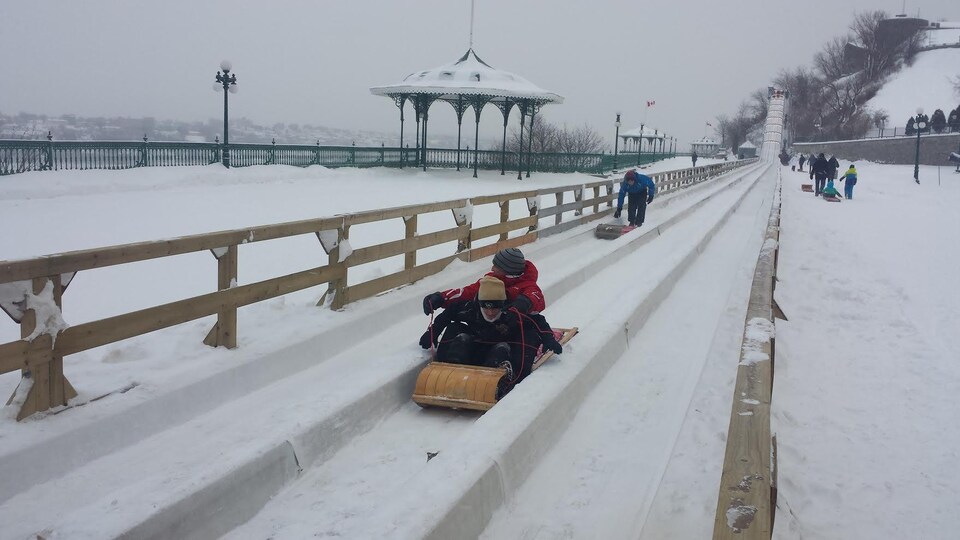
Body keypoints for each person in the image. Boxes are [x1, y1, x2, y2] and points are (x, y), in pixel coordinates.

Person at [419, 276, 562, 390]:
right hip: (477, 344)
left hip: (505, 347)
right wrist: (432, 332)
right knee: (457, 332)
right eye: (486, 308)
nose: (490, 312)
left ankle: (506, 379)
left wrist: (548, 338)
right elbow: (447, 315)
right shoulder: (469, 309)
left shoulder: (512, 314)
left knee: (512, 343)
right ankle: (449, 373)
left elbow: (538, 321)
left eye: (495, 308)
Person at [423, 247, 545, 316]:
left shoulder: (528, 286)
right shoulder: (491, 280)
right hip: (489, 326)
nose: (492, 269)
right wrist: (441, 298)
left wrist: (524, 302)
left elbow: (536, 299)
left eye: (497, 267)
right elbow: (468, 292)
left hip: (514, 328)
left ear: (508, 270)